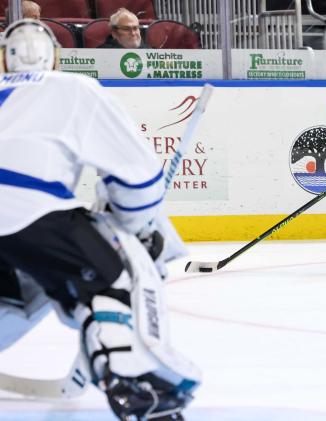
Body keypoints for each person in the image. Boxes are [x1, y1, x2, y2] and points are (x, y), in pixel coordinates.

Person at [0, 19, 199, 420]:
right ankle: (135, 387)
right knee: (112, 281)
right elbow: (137, 174)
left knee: (10, 300)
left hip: (19, 216)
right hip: (26, 207)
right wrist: (138, 226)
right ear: (55, 57)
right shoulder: (73, 87)